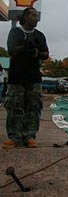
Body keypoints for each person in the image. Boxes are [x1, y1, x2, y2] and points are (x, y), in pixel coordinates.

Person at [2, 7, 49, 149]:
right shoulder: (15, 32)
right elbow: (11, 50)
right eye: (34, 15)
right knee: (14, 106)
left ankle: (30, 136)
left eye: (37, 16)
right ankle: (14, 137)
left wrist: (36, 52)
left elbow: (45, 54)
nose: (36, 19)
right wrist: (24, 46)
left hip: (33, 77)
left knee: (33, 107)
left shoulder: (39, 35)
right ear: (26, 16)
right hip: (16, 77)